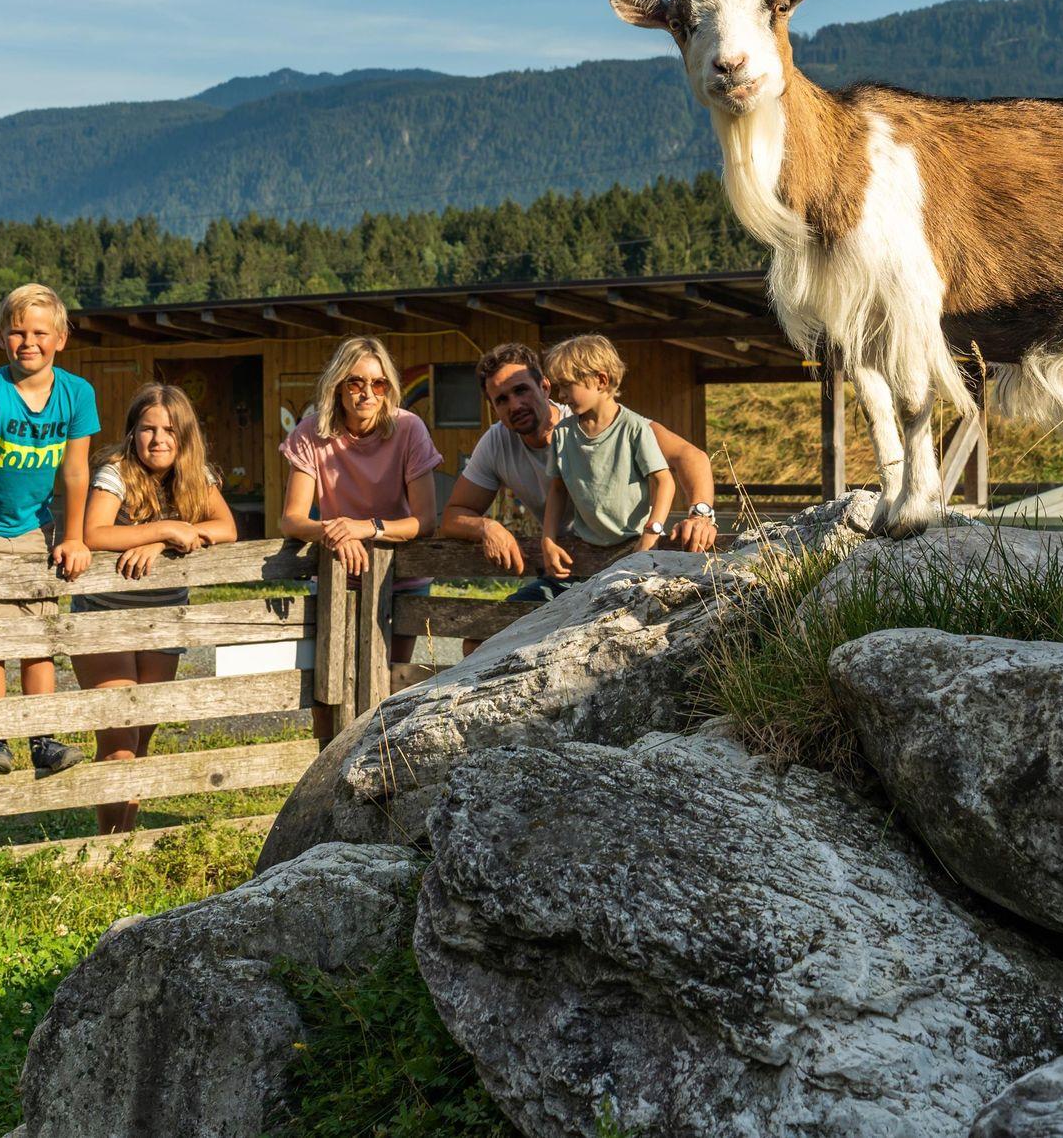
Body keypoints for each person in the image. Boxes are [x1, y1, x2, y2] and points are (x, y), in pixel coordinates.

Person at [0, 282, 97, 780]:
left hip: (35, 524)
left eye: (39, 333)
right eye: (17, 332)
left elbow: (75, 471)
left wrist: (73, 537)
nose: (28, 342)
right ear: (1, 338)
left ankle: (42, 738)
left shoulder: (77, 394)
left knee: (38, 632)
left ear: (61, 339)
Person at [72, 383, 237, 834]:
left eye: (169, 430)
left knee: (143, 733)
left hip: (163, 621)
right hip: (105, 619)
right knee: (119, 736)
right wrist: (162, 530)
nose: (158, 439)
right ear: (132, 432)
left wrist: (166, 539)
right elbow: (94, 533)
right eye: (148, 429)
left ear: (185, 436)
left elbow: (226, 527)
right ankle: (109, 844)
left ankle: (122, 840)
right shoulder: (115, 473)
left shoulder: (196, 476)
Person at [439, 341, 719, 601]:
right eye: (501, 399)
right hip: (567, 572)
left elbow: (690, 456)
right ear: (492, 407)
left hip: (629, 562)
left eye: (521, 390)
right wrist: (487, 527)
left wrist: (700, 515)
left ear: (544, 386)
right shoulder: (496, 442)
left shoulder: (594, 420)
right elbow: (452, 516)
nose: (514, 405)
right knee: (496, 627)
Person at [276, 336, 443, 741]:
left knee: (389, 685)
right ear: (337, 385)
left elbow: (425, 520)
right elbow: (291, 519)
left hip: (398, 580)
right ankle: (329, 767)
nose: (367, 393)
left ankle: (383, 770)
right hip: (335, 579)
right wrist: (335, 531)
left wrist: (366, 527)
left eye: (378, 383)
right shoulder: (311, 432)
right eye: (355, 382)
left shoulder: (408, 428)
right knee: (326, 687)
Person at [539, 334, 676, 581]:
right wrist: (548, 539)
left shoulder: (634, 428)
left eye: (567, 386)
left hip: (636, 546)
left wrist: (652, 531)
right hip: (584, 552)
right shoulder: (563, 433)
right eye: (559, 387)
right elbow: (557, 489)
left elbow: (664, 481)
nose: (561, 396)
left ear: (601, 380)